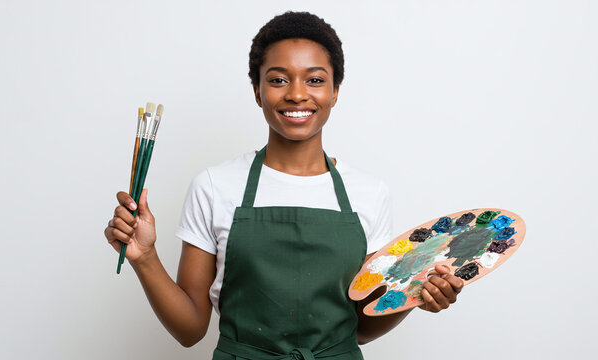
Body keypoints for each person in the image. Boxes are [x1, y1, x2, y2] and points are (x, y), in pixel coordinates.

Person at [104, 11, 464, 359]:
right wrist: (145, 258)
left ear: (335, 91)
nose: (296, 94)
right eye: (278, 79)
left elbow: (359, 327)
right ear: (257, 91)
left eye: (315, 79)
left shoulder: (369, 193)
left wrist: (414, 296)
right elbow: (190, 329)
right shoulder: (214, 186)